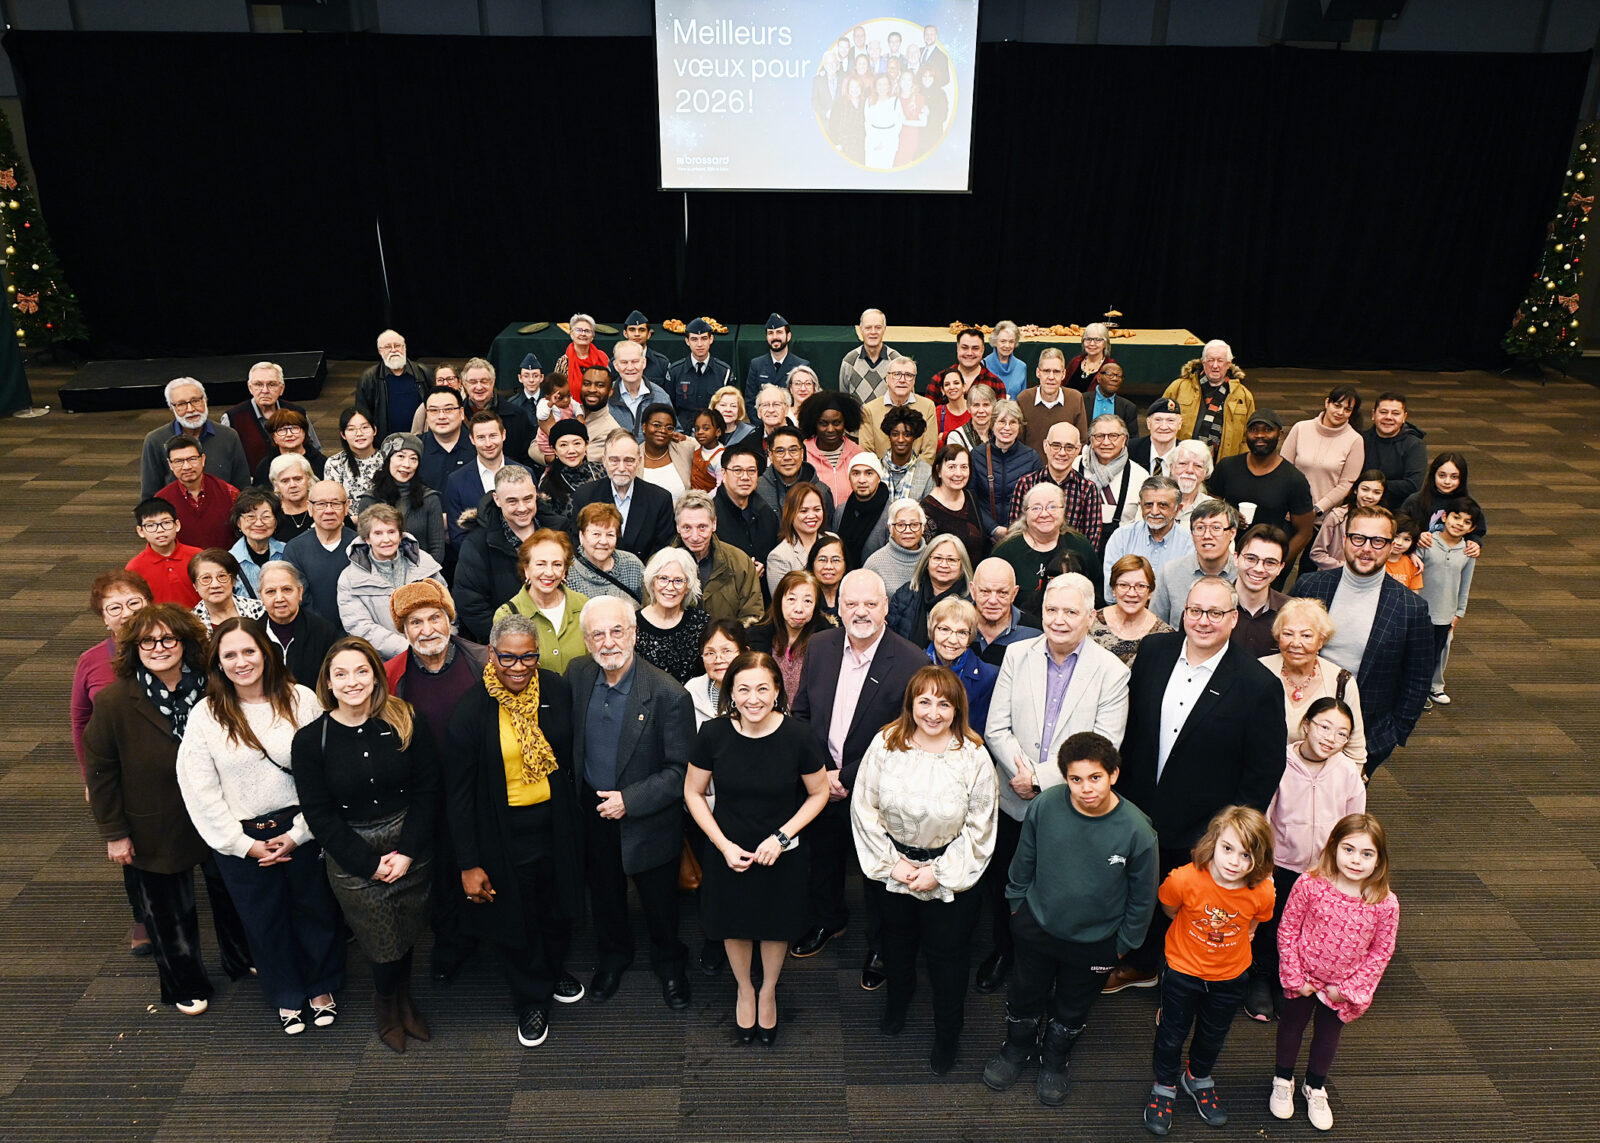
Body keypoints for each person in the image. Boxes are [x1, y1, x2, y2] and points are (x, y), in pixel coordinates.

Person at [1109, 577, 1286, 994]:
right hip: (1138, 808)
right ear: (1183, 612)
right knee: (1138, 889)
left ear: (1234, 618)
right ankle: (1139, 962)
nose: (1203, 621)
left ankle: (1170, 975)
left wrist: (1227, 838)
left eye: (1215, 613)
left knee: (1184, 908)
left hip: (1202, 828)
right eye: (1195, 611)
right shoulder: (1154, 651)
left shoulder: (1258, 685)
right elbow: (1132, 731)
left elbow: (1263, 773)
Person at [175, 617, 342, 1034]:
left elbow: (328, 771)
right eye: (229, 655)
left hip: (301, 827)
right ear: (218, 662)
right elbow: (198, 788)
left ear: (265, 652)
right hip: (242, 838)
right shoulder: (207, 715)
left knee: (315, 911)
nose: (241, 661)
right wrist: (241, 843)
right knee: (264, 921)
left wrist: (301, 832)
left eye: (248, 651)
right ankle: (286, 995)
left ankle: (321, 986)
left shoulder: (302, 699)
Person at [87, 605, 254, 1017]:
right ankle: (185, 983)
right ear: (134, 648)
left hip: (219, 813)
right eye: (148, 641)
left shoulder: (216, 689)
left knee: (232, 896)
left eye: (168, 639)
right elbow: (101, 771)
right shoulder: (113, 701)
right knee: (169, 913)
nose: (159, 648)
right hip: (154, 823)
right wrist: (114, 832)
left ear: (186, 643)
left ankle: (241, 958)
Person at [981, 732, 1158, 1104]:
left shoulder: (1138, 831)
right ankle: (1017, 1047)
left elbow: (1143, 899)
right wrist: (1017, 908)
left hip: (1097, 942)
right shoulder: (1045, 806)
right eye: (1075, 779)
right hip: (1037, 928)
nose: (1085, 789)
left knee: (1073, 1006)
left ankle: (1056, 1057)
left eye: (1095, 777)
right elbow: (1023, 861)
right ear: (1065, 778)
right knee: (1025, 993)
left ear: (1114, 775)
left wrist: (1123, 945)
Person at [981, 573, 1131, 995]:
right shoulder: (1017, 655)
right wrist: (1021, 775)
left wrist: (1041, 779)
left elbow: (1105, 746)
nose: (1059, 620)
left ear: (1090, 616)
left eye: (1070, 611)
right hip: (1012, 795)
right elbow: (997, 727)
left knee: (1054, 887)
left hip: (1069, 804)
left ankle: (1042, 963)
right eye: (1051, 610)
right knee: (1007, 881)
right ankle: (1002, 951)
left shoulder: (1112, 672)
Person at [851, 664, 998, 1075]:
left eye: (944, 704)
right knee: (896, 947)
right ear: (911, 704)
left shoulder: (973, 755)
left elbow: (981, 827)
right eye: (925, 702)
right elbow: (864, 810)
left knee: (948, 960)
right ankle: (897, 1006)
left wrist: (940, 873)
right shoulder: (885, 744)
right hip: (893, 869)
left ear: (957, 709)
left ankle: (947, 1035)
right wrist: (892, 864)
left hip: (949, 873)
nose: (933, 712)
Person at [445, 613, 583, 1048]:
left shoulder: (557, 691)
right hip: (504, 831)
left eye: (529, 657)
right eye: (509, 658)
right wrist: (468, 862)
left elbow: (570, 758)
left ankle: (552, 967)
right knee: (517, 916)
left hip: (556, 824)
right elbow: (460, 795)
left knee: (557, 905)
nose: (519, 667)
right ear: (492, 655)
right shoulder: (472, 709)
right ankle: (530, 1000)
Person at [292, 636, 436, 1051]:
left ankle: (405, 1001)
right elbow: (319, 814)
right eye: (341, 674)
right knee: (380, 938)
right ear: (328, 682)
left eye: (361, 671)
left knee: (407, 930)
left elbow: (428, 789)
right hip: (352, 851)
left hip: (410, 843)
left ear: (375, 676)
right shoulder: (309, 740)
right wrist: (368, 864)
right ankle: (386, 1005)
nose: (352, 681)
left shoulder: (406, 718)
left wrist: (407, 852)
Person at [789, 569, 924, 986]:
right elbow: (802, 713)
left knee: (879, 874)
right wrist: (819, 773)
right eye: (851, 604)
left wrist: (844, 776)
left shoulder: (911, 660)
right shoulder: (821, 645)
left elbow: (906, 734)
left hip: (877, 790)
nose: (860, 612)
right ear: (838, 608)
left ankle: (881, 946)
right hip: (819, 782)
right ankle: (829, 921)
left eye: (870, 604)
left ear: (885, 608)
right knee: (822, 860)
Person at [687, 651, 830, 1046]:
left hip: (780, 850)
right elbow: (693, 792)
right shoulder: (713, 735)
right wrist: (722, 845)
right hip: (728, 847)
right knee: (733, 925)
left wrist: (782, 838)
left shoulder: (798, 736)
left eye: (763, 689)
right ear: (730, 692)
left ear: (778, 690)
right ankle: (744, 989)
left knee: (775, 925)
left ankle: (767, 989)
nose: (754, 698)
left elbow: (818, 794)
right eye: (744, 689)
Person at [570, 597, 697, 1009]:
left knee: (660, 904)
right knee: (604, 895)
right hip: (593, 813)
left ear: (635, 633)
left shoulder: (667, 694)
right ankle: (613, 957)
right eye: (598, 634)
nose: (608, 642)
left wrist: (631, 799)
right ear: (586, 641)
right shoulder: (577, 675)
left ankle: (670, 965)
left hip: (648, 820)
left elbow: (681, 772)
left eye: (617, 631)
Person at [1143, 806, 1277, 1135]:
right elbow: (1169, 908)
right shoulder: (1184, 878)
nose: (1234, 862)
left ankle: (1197, 1077)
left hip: (1230, 977)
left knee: (1213, 1034)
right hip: (1182, 972)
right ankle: (1164, 1086)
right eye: (1227, 849)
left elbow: (1259, 918)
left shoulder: (1262, 890)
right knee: (1172, 1033)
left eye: (1246, 855)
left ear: (1259, 860)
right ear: (1213, 842)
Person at [1270, 814, 1399, 1132]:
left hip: (1340, 988)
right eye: (1349, 849)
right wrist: (1294, 977)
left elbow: (1380, 953)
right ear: (1333, 848)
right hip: (1304, 980)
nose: (1356, 860)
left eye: (1367, 854)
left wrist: (1349, 990)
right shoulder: (1310, 883)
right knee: (1291, 1028)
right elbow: (1288, 930)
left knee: (1328, 1036)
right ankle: (1283, 1078)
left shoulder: (1384, 903)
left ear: (1379, 860)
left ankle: (1315, 1086)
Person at [1291, 505, 1434, 776]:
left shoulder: (1410, 608)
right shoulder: (1310, 587)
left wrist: (1389, 737)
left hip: (1363, 736)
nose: (1367, 548)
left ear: (1392, 546)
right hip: (1296, 725)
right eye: (1358, 538)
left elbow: (1417, 681)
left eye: (1378, 541)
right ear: (1345, 540)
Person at [1255, 699, 1367, 1022]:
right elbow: (1264, 816)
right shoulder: (1280, 762)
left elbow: (1354, 825)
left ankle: (1288, 978)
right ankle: (1262, 977)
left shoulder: (1346, 772)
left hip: (1323, 871)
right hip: (1283, 864)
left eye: (1342, 734)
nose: (1331, 737)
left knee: (1307, 927)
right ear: (1306, 724)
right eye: (1324, 726)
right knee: (1272, 923)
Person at [72, 569, 155, 956]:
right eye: (115, 607)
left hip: (170, 763)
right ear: (104, 617)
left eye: (134, 603)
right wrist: (91, 775)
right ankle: (144, 917)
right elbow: (81, 721)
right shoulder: (90, 661)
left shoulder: (169, 648)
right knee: (132, 845)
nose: (125, 613)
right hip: (121, 770)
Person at [456, 466, 564, 644]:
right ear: (497, 500)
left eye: (528, 499)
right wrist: (510, 643)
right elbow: (471, 605)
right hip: (508, 647)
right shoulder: (477, 543)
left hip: (560, 637)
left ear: (535, 494)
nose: (522, 508)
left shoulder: (558, 532)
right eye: (512, 501)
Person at [1206, 410, 1315, 574]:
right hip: (1226, 556)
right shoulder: (1228, 466)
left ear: (1280, 434)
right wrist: (1228, 513)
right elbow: (1209, 504)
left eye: (1267, 430)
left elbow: (1304, 532)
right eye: (1254, 430)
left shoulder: (1294, 479)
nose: (1259, 435)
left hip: (1267, 560)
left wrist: (1278, 563)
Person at [335, 504, 444, 658]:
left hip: (434, 652)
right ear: (367, 538)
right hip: (384, 662)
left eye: (391, 532)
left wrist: (436, 643)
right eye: (378, 533)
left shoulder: (425, 563)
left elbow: (445, 608)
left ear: (400, 535)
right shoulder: (349, 578)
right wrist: (410, 648)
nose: (386, 539)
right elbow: (360, 627)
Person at [991, 482, 1102, 619]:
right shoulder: (1006, 551)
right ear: (1026, 513)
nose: (1044, 514)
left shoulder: (1079, 545)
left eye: (1052, 507)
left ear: (1064, 511)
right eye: (1036, 508)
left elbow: (1097, 592)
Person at [492, 529, 590, 674]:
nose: (549, 572)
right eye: (541, 564)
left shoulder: (584, 606)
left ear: (564, 571)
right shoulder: (507, 615)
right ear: (526, 569)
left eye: (557, 564)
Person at [570, 429, 677, 562]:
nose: (621, 468)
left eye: (629, 461)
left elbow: (662, 550)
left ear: (639, 461)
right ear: (604, 461)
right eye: (614, 460)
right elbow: (577, 543)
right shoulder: (585, 495)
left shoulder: (660, 499)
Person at [139, 377, 251, 498]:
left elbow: (243, 487)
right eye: (181, 404)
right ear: (172, 408)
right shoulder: (155, 440)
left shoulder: (229, 436)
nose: (191, 409)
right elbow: (150, 495)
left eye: (195, 401)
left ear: (205, 400)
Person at [1416, 496, 1478, 706]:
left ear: (1472, 528)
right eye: (1456, 517)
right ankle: (1416, 689)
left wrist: (1459, 612)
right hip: (1421, 609)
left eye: (1466, 522)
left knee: (1438, 651)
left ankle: (1433, 687)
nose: (1459, 523)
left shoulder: (1468, 552)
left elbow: (1465, 584)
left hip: (1445, 612)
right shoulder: (1426, 541)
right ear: (1444, 517)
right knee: (1417, 651)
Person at [1281, 386, 1365, 538]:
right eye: (1337, 405)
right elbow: (1283, 468)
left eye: (1347, 409)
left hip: (1324, 518)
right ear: (1327, 403)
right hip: (1290, 511)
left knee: (1314, 561)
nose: (1340, 412)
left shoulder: (1355, 440)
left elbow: (1346, 483)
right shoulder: (1301, 428)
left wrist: (1317, 509)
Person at [673, 489, 763, 628]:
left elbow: (752, 615)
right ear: (678, 527)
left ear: (714, 524)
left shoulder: (740, 562)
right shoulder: (661, 565)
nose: (695, 536)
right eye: (687, 528)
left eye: (702, 527)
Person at [1008, 422, 1102, 548]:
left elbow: (1091, 540)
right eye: (1056, 446)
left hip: (1072, 563)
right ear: (1045, 445)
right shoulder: (1026, 484)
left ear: (1078, 450)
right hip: (1030, 561)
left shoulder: (1087, 489)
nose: (1062, 453)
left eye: (1069, 447)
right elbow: (1015, 534)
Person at [358, 433, 446, 564]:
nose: (407, 464)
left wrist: (419, 576)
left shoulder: (430, 499)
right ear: (388, 460)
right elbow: (363, 547)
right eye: (400, 456)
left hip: (421, 574)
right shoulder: (369, 500)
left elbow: (437, 548)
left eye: (413, 459)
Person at [746, 569, 834, 700]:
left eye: (808, 601)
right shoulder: (755, 639)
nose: (799, 609)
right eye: (791, 599)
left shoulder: (828, 643)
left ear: (816, 606)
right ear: (779, 601)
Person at [1150, 499, 1240, 627]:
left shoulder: (1243, 574)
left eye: (1216, 528)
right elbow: (1156, 626)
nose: (1207, 535)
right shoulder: (1171, 573)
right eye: (1200, 528)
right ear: (1192, 534)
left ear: (1232, 533)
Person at [1163, 339, 1256, 460]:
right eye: (1211, 360)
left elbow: (1248, 437)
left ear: (1228, 364)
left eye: (1220, 361)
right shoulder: (1179, 387)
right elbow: (1159, 421)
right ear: (1203, 362)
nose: (1215, 365)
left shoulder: (1243, 396)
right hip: (1182, 462)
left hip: (1224, 466)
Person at [221, 360, 321, 473]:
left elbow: (315, 450)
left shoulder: (297, 412)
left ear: (281, 388)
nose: (265, 390)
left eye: (271, 384)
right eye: (258, 384)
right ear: (250, 388)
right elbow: (225, 461)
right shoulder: (233, 417)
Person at [282, 480, 356, 631]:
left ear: (347, 507)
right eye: (321, 504)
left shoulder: (361, 545)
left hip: (356, 632)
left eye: (335, 504)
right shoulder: (295, 549)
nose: (328, 510)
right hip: (311, 632)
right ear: (310, 508)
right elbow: (300, 599)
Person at [634, 546, 712, 684]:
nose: (670, 587)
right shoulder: (632, 624)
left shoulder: (702, 623)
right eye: (663, 578)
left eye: (678, 581)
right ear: (652, 582)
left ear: (688, 586)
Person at [925, 596, 999, 735]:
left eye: (962, 632)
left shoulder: (987, 677)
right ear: (933, 630)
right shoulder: (913, 666)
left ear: (970, 637)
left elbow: (979, 733)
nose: (953, 640)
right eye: (945, 629)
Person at [257, 560, 339, 687]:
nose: (279, 598)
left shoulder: (323, 631)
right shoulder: (252, 635)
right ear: (261, 597)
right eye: (271, 592)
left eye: (287, 589)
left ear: (300, 592)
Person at [1102, 476, 1194, 587]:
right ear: (1140, 505)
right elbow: (1110, 588)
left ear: (1177, 509)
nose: (1154, 512)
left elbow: (1188, 591)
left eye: (1163, 505)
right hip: (1126, 604)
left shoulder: (1190, 543)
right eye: (1148, 504)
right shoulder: (1121, 537)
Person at [1073, 414, 1149, 543]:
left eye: (1113, 436)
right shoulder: (1073, 466)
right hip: (1076, 544)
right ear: (1091, 439)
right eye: (1100, 436)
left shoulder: (1140, 476)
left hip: (1122, 548)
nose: (1106, 442)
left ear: (1124, 439)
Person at [442, 413, 512, 553]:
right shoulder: (456, 481)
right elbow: (457, 535)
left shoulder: (525, 473)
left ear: (503, 435)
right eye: (481, 437)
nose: (488, 443)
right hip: (477, 565)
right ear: (472, 439)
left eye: (493, 436)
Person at [968, 398, 1041, 533]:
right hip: (984, 533)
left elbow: (1037, 502)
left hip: (1022, 533)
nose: (1007, 428)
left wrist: (1015, 530)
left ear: (1019, 426)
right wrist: (993, 529)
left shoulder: (1032, 458)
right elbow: (971, 499)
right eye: (1002, 421)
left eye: (1013, 422)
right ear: (992, 424)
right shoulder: (977, 455)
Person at [156, 435, 240, 551]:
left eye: (192, 459)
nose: (187, 466)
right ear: (170, 465)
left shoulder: (229, 492)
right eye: (178, 461)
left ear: (203, 459)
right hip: (182, 566)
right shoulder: (161, 500)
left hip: (224, 564)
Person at [1091, 555, 1176, 665]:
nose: (1131, 593)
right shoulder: (1090, 624)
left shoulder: (1164, 636)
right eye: (1123, 585)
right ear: (1113, 589)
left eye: (1140, 586)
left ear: (1150, 592)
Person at [888, 533, 972, 643]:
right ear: (927, 562)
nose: (944, 565)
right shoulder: (905, 595)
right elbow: (890, 640)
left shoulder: (971, 602)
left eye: (951, 560)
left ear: (962, 565)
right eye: (937, 558)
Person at [921, 443, 995, 561]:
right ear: (938, 470)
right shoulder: (927, 510)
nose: (959, 473)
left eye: (964, 467)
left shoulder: (970, 497)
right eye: (952, 467)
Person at [713, 441, 779, 572]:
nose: (745, 477)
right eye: (737, 470)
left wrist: (764, 566)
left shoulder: (766, 513)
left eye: (751, 471)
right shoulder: (710, 514)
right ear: (724, 474)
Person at [858, 358, 939, 464]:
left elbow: (929, 452)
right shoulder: (869, 410)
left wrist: (913, 475)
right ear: (887, 378)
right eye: (897, 374)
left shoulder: (927, 406)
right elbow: (867, 452)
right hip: (880, 475)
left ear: (914, 380)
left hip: (917, 475)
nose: (902, 380)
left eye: (908, 375)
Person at [128, 497, 203, 607]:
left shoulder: (197, 556)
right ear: (141, 531)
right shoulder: (135, 567)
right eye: (150, 525)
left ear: (177, 525)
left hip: (199, 620)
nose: (160, 530)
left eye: (166, 522)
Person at [1400, 450, 1488, 545]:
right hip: (1420, 554)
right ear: (1433, 475)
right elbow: (1401, 526)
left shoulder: (1469, 505)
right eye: (1442, 475)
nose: (1447, 481)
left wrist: (1474, 542)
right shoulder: (1415, 501)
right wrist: (1417, 536)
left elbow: (1478, 530)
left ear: (1462, 478)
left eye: (1454, 477)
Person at [355, 329, 432, 438]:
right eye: (387, 347)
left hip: (421, 439)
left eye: (397, 345)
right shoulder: (369, 378)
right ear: (380, 351)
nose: (393, 350)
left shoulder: (423, 372)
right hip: (385, 442)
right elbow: (362, 415)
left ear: (404, 348)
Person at [565, 501, 645, 606]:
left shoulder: (632, 565)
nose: (603, 541)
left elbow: (648, 606)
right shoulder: (569, 571)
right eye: (596, 534)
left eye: (610, 535)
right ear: (582, 536)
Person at [1231, 523, 1292, 657]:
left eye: (1270, 562)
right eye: (1251, 559)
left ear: (1280, 568)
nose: (1259, 569)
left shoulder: (1292, 612)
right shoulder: (1211, 605)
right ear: (1236, 558)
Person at [1360, 392, 1427, 511]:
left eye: (1395, 413)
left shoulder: (1414, 445)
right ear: (1373, 414)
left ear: (1404, 417)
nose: (1388, 417)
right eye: (1383, 412)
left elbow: (1413, 485)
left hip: (1397, 510)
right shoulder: (1360, 440)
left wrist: (1373, 486)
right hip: (1360, 506)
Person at [665, 317, 735, 430]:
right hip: (683, 432)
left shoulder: (724, 371)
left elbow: (731, 406)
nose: (699, 344)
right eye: (694, 339)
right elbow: (668, 407)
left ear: (711, 339)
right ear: (687, 341)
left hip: (714, 431)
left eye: (704, 338)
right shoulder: (675, 371)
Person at [970, 557, 1043, 664]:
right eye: (985, 591)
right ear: (972, 591)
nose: (993, 600)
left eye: (1002, 593)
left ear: (1014, 594)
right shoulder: (953, 624)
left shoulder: (1035, 634)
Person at [1310, 470, 1388, 570]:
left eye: (1377, 492)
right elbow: (1317, 553)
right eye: (1365, 489)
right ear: (1356, 490)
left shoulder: (1384, 522)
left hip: (1366, 578)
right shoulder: (1337, 516)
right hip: (1335, 574)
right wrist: (1346, 568)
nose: (1369, 496)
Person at [799, 390, 867, 504]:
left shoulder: (858, 454)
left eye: (836, 423)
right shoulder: (802, 454)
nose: (830, 429)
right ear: (814, 424)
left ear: (845, 422)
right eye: (823, 423)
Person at [1018, 349, 1089, 457]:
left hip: (1065, 467)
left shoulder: (1075, 399)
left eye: (1056, 371)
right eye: (1046, 371)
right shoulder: (1024, 399)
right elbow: (1018, 441)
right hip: (1030, 469)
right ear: (1038, 373)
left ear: (1063, 374)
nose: (1051, 377)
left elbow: (1081, 441)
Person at [758, 424, 836, 521]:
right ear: (771, 455)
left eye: (793, 450)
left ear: (802, 453)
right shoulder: (757, 489)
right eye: (780, 451)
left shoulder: (821, 491)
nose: (787, 457)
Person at [765, 482, 830, 594]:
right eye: (803, 511)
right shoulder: (779, 557)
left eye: (817, 509)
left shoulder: (833, 540)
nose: (811, 515)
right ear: (790, 513)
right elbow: (781, 603)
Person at [685, 619, 749, 727]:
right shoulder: (692, 690)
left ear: (745, 653)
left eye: (727, 651)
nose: (718, 660)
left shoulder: (761, 688)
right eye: (710, 653)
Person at [742, 313, 811, 412]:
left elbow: (805, 402)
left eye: (779, 332)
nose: (775, 337)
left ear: (789, 336)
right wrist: (763, 424)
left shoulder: (802, 365)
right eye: (770, 333)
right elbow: (750, 402)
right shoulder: (756, 364)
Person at [609, 339, 675, 442]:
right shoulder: (605, 396)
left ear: (644, 363)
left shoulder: (661, 397)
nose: (630, 368)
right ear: (615, 365)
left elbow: (674, 432)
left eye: (635, 362)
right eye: (624, 362)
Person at [835, 454, 892, 569]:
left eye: (869, 473)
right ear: (849, 478)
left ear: (879, 477)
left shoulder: (891, 514)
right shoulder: (841, 511)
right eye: (856, 473)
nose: (862, 480)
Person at [190, 548, 267, 631]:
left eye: (222, 576)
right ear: (195, 586)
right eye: (206, 578)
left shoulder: (260, 610)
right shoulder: (190, 624)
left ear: (233, 581)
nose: (215, 585)